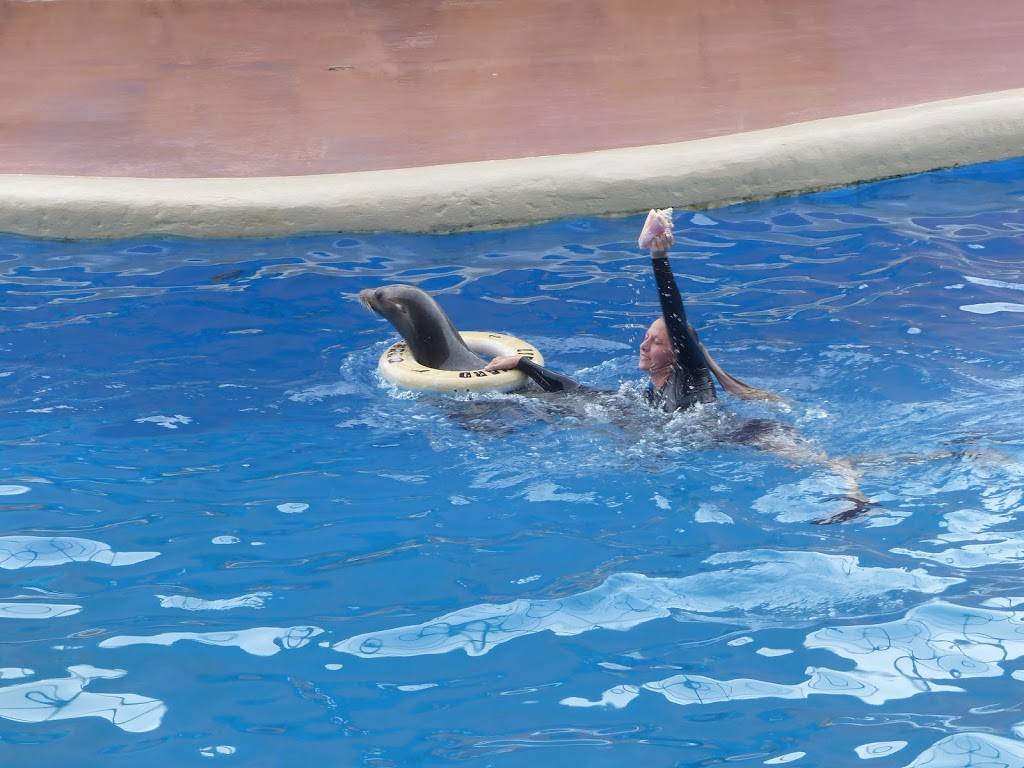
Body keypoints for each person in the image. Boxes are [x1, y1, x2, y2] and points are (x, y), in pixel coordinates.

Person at [485, 208, 778, 411]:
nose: (643, 345)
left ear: (678, 353)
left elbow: (674, 313)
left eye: (657, 341)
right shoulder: (649, 395)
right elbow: (581, 392)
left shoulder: (691, 380)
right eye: (647, 336)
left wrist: (659, 256)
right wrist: (524, 365)